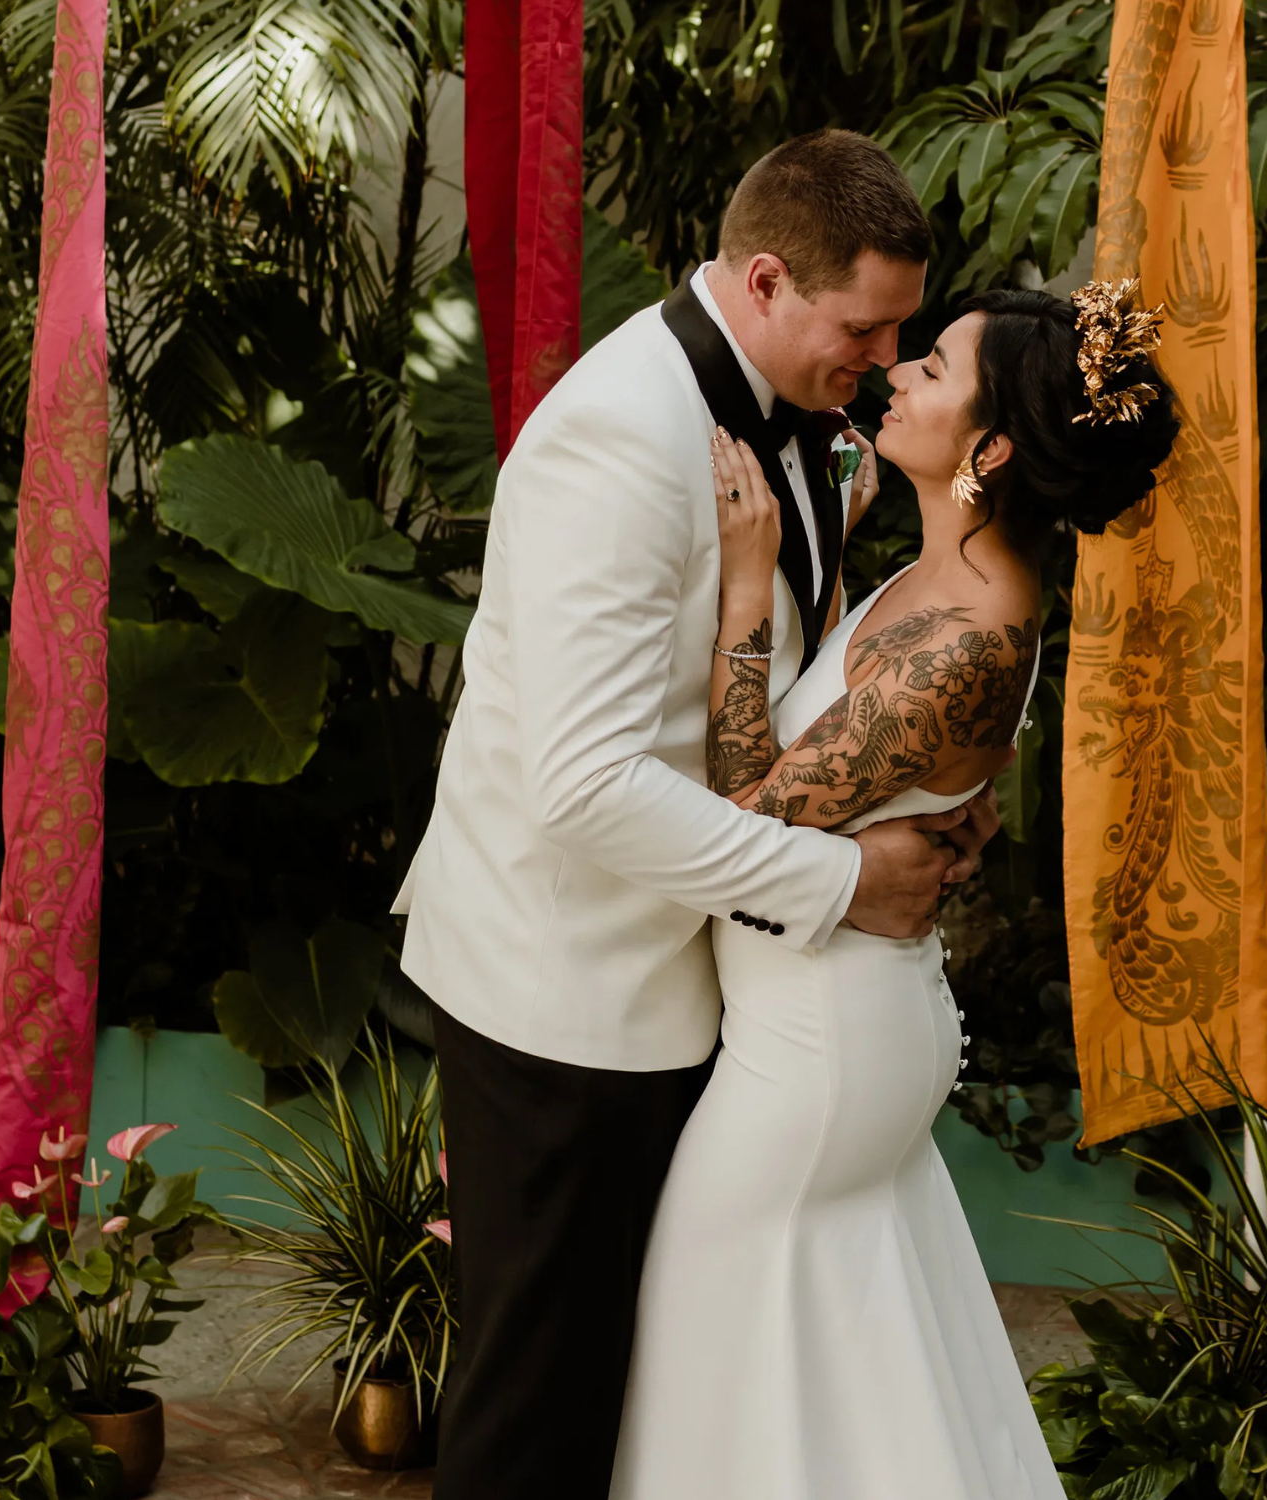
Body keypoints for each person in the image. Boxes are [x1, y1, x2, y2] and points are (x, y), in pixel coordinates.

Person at [390, 130, 1000, 1500]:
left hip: (692, 987)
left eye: (909, 327)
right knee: (538, 1415)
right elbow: (585, 781)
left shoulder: (804, 415)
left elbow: (789, 692)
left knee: (639, 1408)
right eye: (869, 324)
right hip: (566, 995)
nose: (892, 355)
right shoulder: (620, 435)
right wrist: (847, 882)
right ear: (771, 280)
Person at [607, 281, 1180, 1498]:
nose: (899, 373)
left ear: (990, 450)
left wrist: (750, 588)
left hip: (819, 1055)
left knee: (718, 1365)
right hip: (822, 1021)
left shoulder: (969, 637)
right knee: (829, 1384)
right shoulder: (939, 576)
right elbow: (849, 750)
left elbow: (749, 809)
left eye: (933, 369)